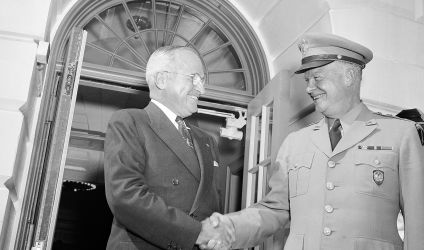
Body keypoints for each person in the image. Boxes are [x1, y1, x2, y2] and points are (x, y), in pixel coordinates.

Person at [199, 33, 424, 250]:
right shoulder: (294, 143)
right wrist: (230, 228)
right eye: (307, 80)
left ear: (349, 76)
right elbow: (275, 210)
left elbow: (418, 222)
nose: (308, 88)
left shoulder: (400, 135)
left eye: (317, 78)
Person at [104, 45, 224, 249]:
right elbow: (125, 197)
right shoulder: (129, 121)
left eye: (202, 81)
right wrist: (196, 233)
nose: (201, 89)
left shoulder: (207, 140)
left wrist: (216, 236)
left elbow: (210, 207)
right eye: (193, 77)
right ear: (161, 79)